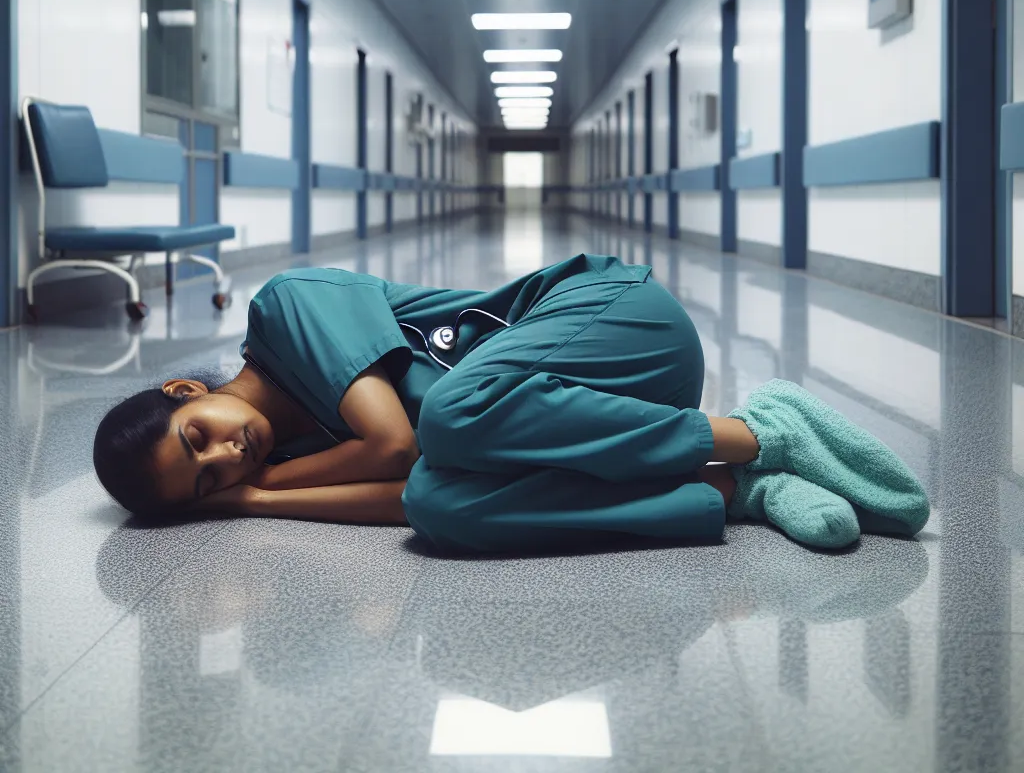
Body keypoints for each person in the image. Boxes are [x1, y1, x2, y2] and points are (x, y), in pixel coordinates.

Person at [93, 254, 929, 554]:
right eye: (207, 482)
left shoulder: (287, 307)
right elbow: (402, 491)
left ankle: (761, 429)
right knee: (438, 512)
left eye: (197, 437)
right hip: (603, 423)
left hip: (618, 322)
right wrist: (264, 497)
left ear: (185, 390)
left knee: (450, 417)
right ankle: (734, 492)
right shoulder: (289, 458)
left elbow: (392, 443)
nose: (226, 458)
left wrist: (263, 494)